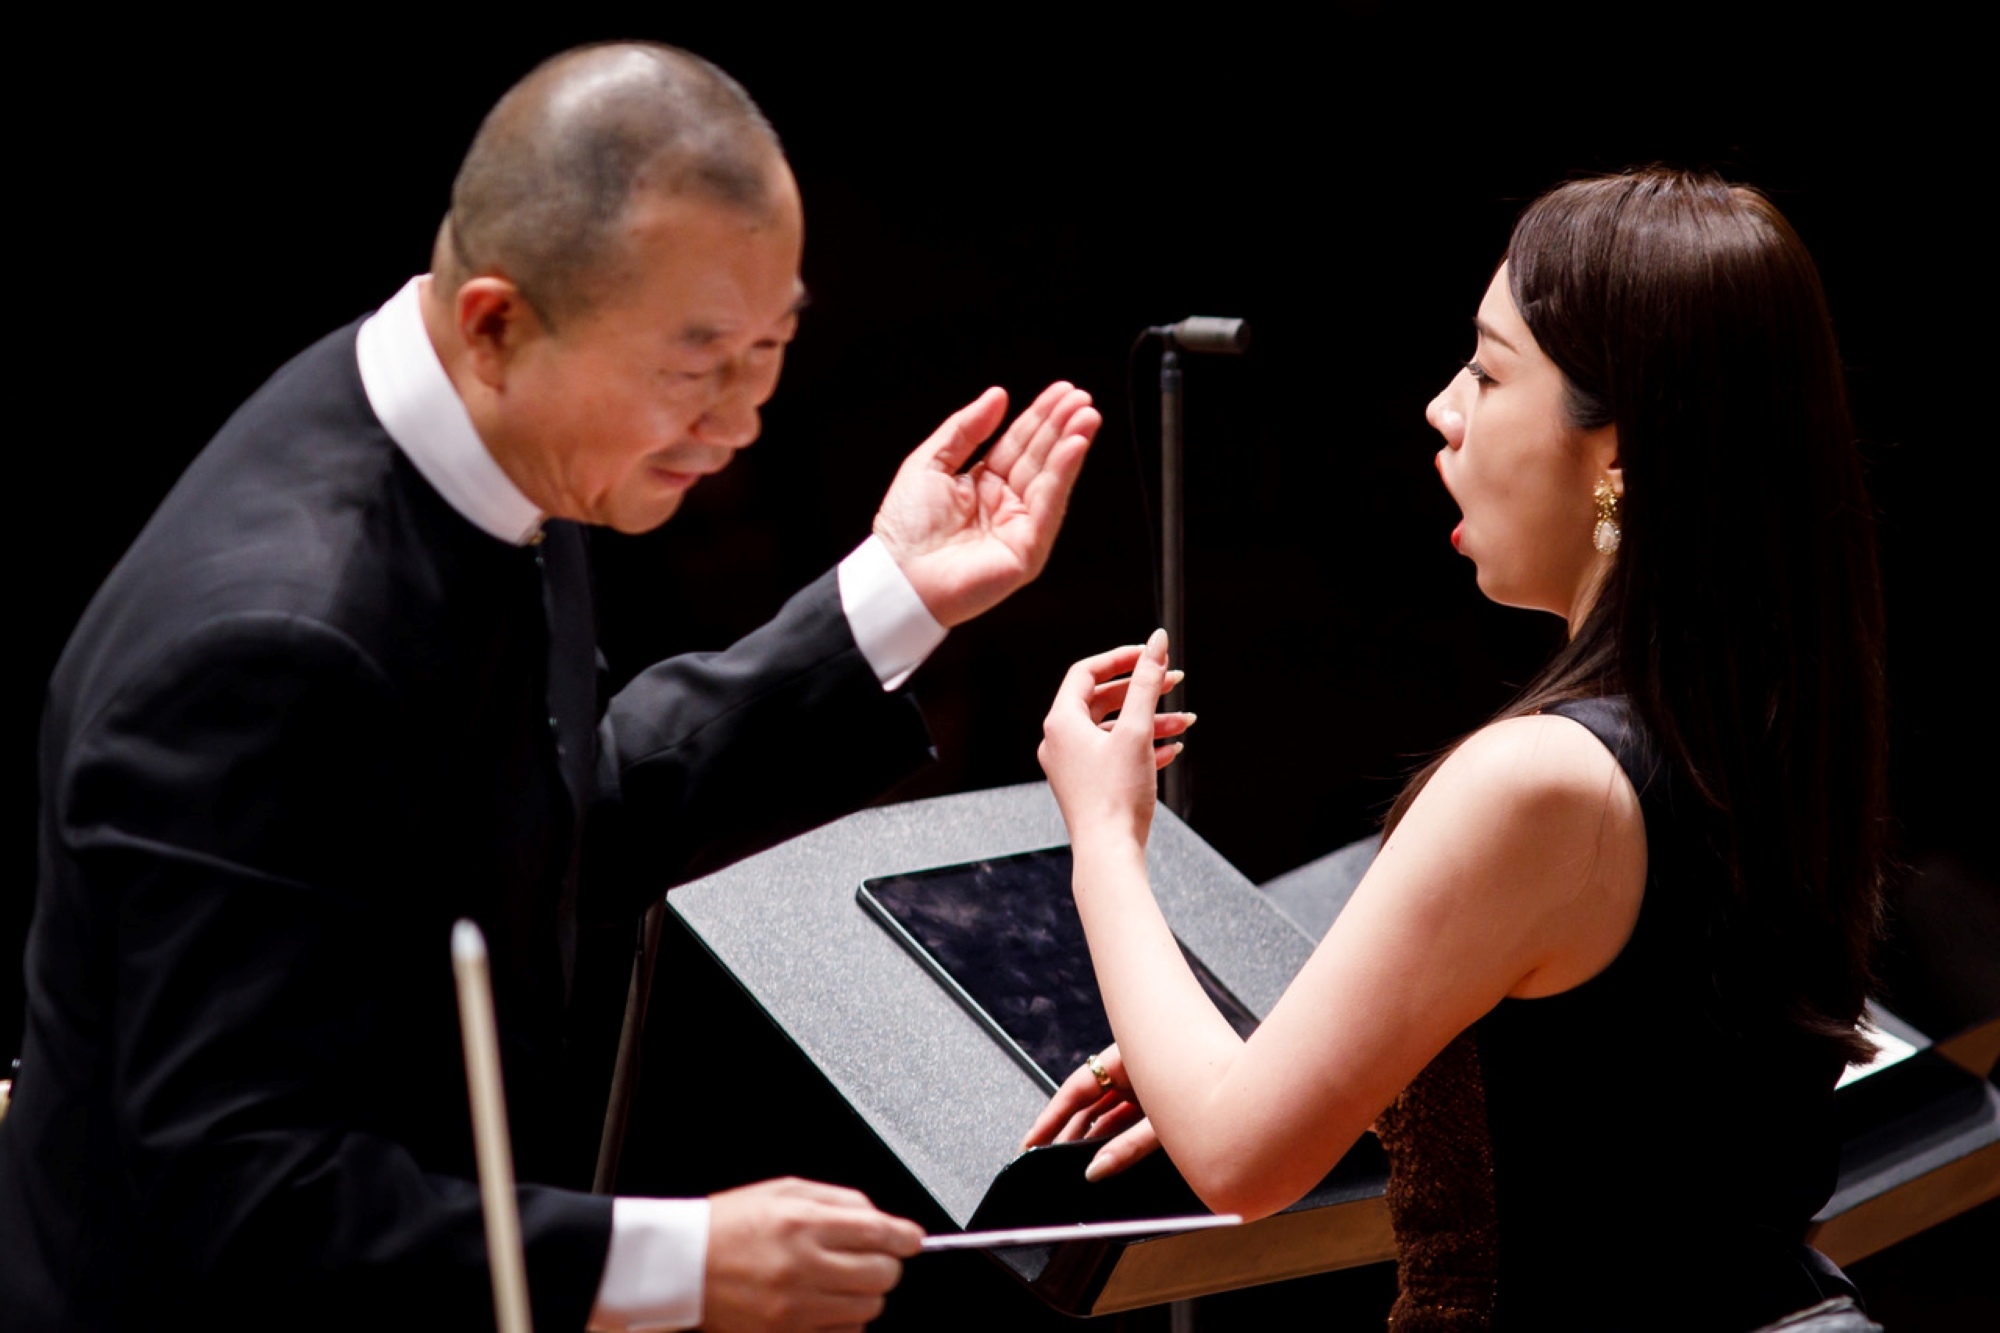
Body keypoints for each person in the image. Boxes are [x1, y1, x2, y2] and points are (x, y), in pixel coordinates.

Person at [0, 42, 1101, 1333]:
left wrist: (896, 593)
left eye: (769, 348)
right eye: (695, 369)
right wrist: (674, 1262)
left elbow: (553, 809)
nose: (739, 421)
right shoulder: (261, 649)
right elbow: (232, 1196)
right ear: (497, 322)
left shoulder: (496, 444)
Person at [1025, 169, 1887, 1331]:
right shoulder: (1770, 724)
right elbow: (1628, 1103)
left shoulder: (1541, 783)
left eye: (1486, 372)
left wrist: (1101, 833)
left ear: (1615, 449)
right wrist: (1305, 1055)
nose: (1442, 407)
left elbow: (1238, 1155)